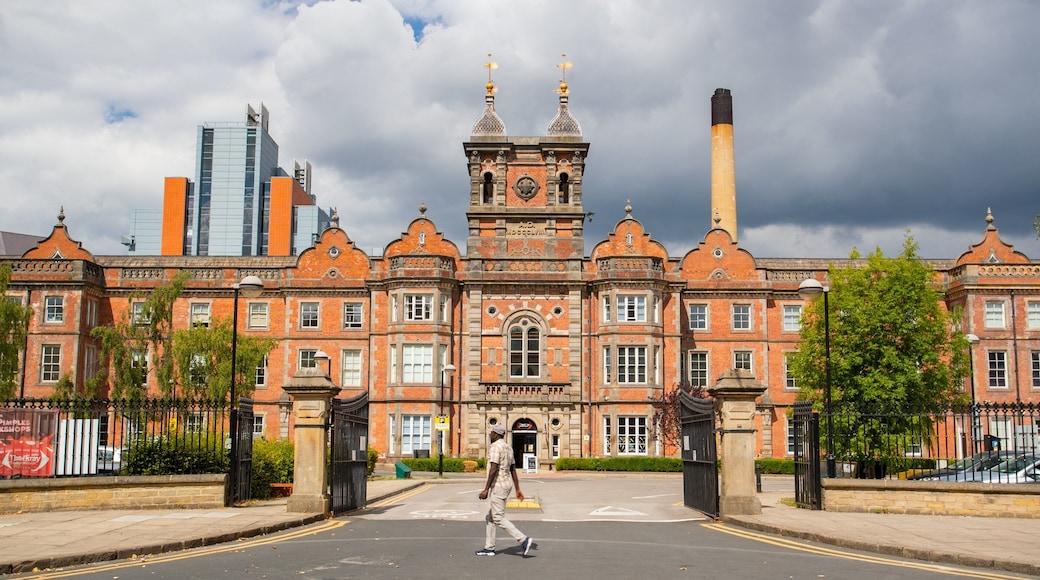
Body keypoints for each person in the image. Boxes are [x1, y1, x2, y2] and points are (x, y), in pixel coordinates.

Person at [476, 424, 533, 557]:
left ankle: (523, 539)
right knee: (490, 517)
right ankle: (489, 548)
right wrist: (518, 488)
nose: (490, 435)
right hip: (507, 485)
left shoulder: (496, 447)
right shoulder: (508, 447)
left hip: (498, 485)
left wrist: (486, 489)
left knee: (498, 517)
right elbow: (513, 470)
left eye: (491, 433)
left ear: (496, 434)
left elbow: (493, 468)